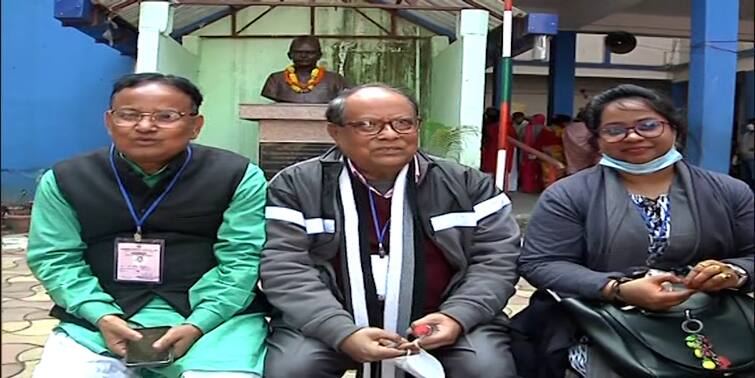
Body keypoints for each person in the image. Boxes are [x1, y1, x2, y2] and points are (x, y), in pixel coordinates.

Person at [261, 84, 521, 378]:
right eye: (368, 125)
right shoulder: (297, 185)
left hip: (444, 317)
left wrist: (458, 316)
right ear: (335, 132)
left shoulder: (467, 185)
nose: (390, 134)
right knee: (294, 368)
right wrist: (340, 330)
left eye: (403, 123)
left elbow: (496, 261)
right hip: (326, 319)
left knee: (485, 367)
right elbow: (285, 267)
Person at [28, 73, 269, 377]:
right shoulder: (66, 178)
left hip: (216, 322)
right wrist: (100, 315)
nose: (144, 126)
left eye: (166, 116)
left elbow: (243, 259)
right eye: (128, 115)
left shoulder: (237, 176)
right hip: (100, 322)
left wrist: (200, 322)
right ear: (109, 121)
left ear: (196, 125)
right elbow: (54, 257)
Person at [515, 84, 753, 377]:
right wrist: (616, 289)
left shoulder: (728, 191)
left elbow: (751, 255)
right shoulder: (568, 194)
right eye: (614, 130)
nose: (633, 136)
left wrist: (732, 273)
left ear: (674, 128)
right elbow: (541, 262)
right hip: (600, 322)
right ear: (598, 140)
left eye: (649, 125)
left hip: (712, 319)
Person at [260, 36, 349, 103]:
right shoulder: (275, 79)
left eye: (310, 53)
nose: (304, 56)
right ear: (289, 55)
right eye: (298, 52)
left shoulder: (335, 80)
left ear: (319, 55)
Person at [736, 117, 755, 190]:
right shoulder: (746, 135)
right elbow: (742, 144)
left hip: (752, 158)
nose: (749, 125)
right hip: (744, 158)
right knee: (745, 178)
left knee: (753, 178)